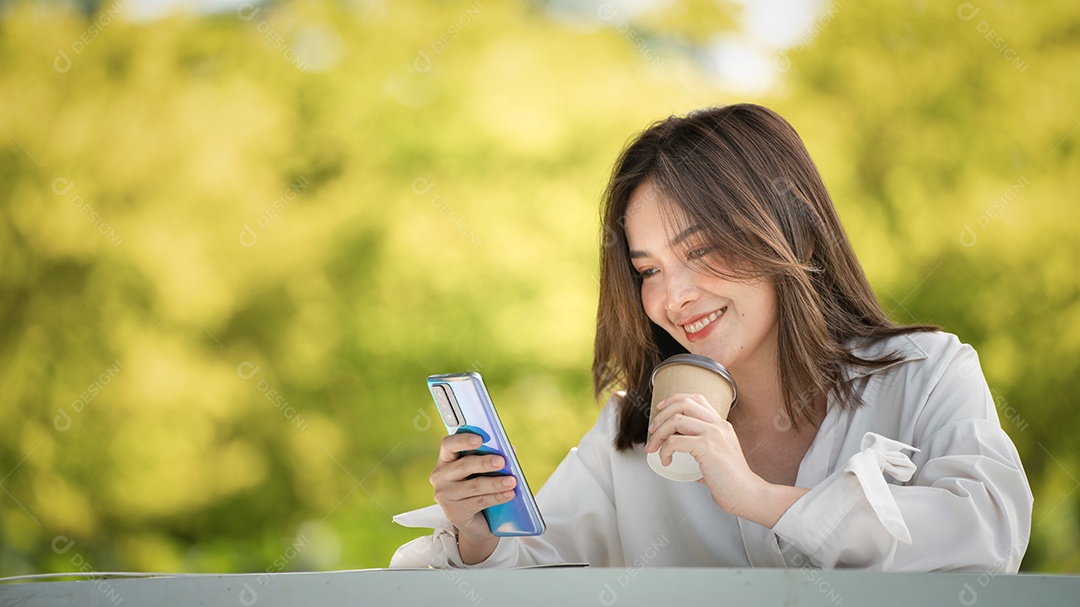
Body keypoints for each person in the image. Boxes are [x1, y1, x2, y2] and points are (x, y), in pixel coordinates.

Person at [389, 104, 1033, 571]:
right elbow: (532, 571)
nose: (673, 298)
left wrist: (761, 499)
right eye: (648, 270)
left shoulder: (925, 374)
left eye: (702, 252)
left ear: (796, 236)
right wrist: (478, 538)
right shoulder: (629, 436)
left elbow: (991, 536)